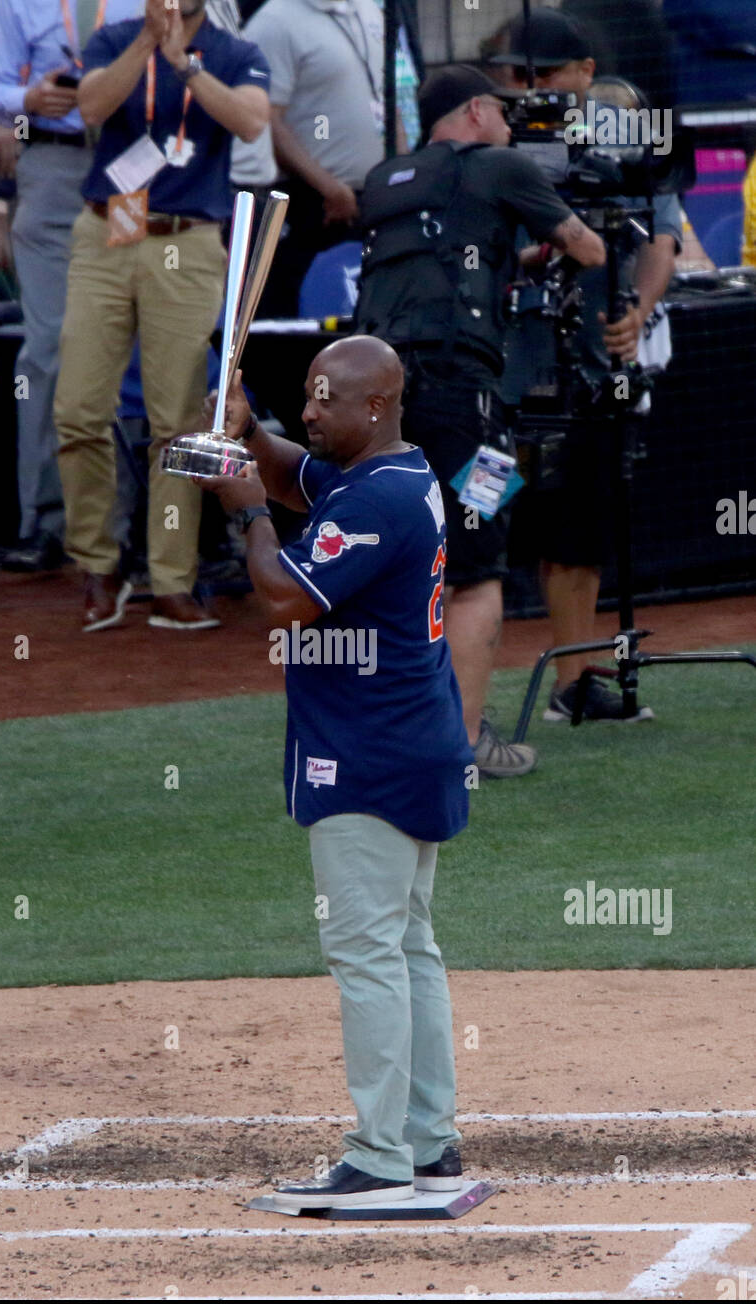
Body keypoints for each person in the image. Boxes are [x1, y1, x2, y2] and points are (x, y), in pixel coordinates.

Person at [198, 336, 472, 1207]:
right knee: (408, 946)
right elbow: (291, 472)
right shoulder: (390, 473)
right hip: (412, 740)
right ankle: (429, 1142)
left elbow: (282, 598)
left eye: (325, 399)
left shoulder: (376, 503)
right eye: (306, 397)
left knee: (366, 954)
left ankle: (380, 1156)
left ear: (377, 406)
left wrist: (244, 511)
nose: (311, 411)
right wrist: (252, 433)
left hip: (368, 757)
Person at [354, 64, 606, 775]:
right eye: (500, 108)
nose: (509, 121)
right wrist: (556, 238)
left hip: (367, 398)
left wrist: (509, 253)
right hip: (465, 398)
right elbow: (588, 246)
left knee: (394, 568)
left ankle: (394, 732)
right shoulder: (500, 163)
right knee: (476, 571)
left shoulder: (390, 177)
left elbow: (439, 260)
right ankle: (459, 747)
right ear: (472, 113)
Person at [53, 0, 270, 633]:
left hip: (189, 236)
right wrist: (148, 46)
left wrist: (185, 65)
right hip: (106, 231)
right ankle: (99, 565)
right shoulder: (115, 37)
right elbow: (90, 108)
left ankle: (172, 579)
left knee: (176, 420)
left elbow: (253, 124)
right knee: (77, 409)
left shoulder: (237, 52)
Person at [492, 9, 683, 721]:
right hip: (513, 369)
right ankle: (446, 684)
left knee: (587, 519)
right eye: (525, 77)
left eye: (550, 76)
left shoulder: (627, 143)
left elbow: (661, 233)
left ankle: (575, 680)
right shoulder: (500, 145)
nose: (537, 89)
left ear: (586, 75)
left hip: (597, 364)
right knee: (484, 512)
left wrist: (639, 309)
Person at [0, 0, 144, 573]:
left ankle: (119, 526)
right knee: (49, 348)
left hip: (131, 167)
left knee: (123, 343)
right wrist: (27, 101)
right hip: (52, 164)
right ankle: (47, 524)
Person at [244, 0, 385, 316]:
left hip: (372, 203)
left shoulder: (370, 11)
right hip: (310, 205)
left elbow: (386, 99)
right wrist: (327, 186)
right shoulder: (275, 21)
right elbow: (263, 118)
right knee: (299, 317)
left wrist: (397, 172)